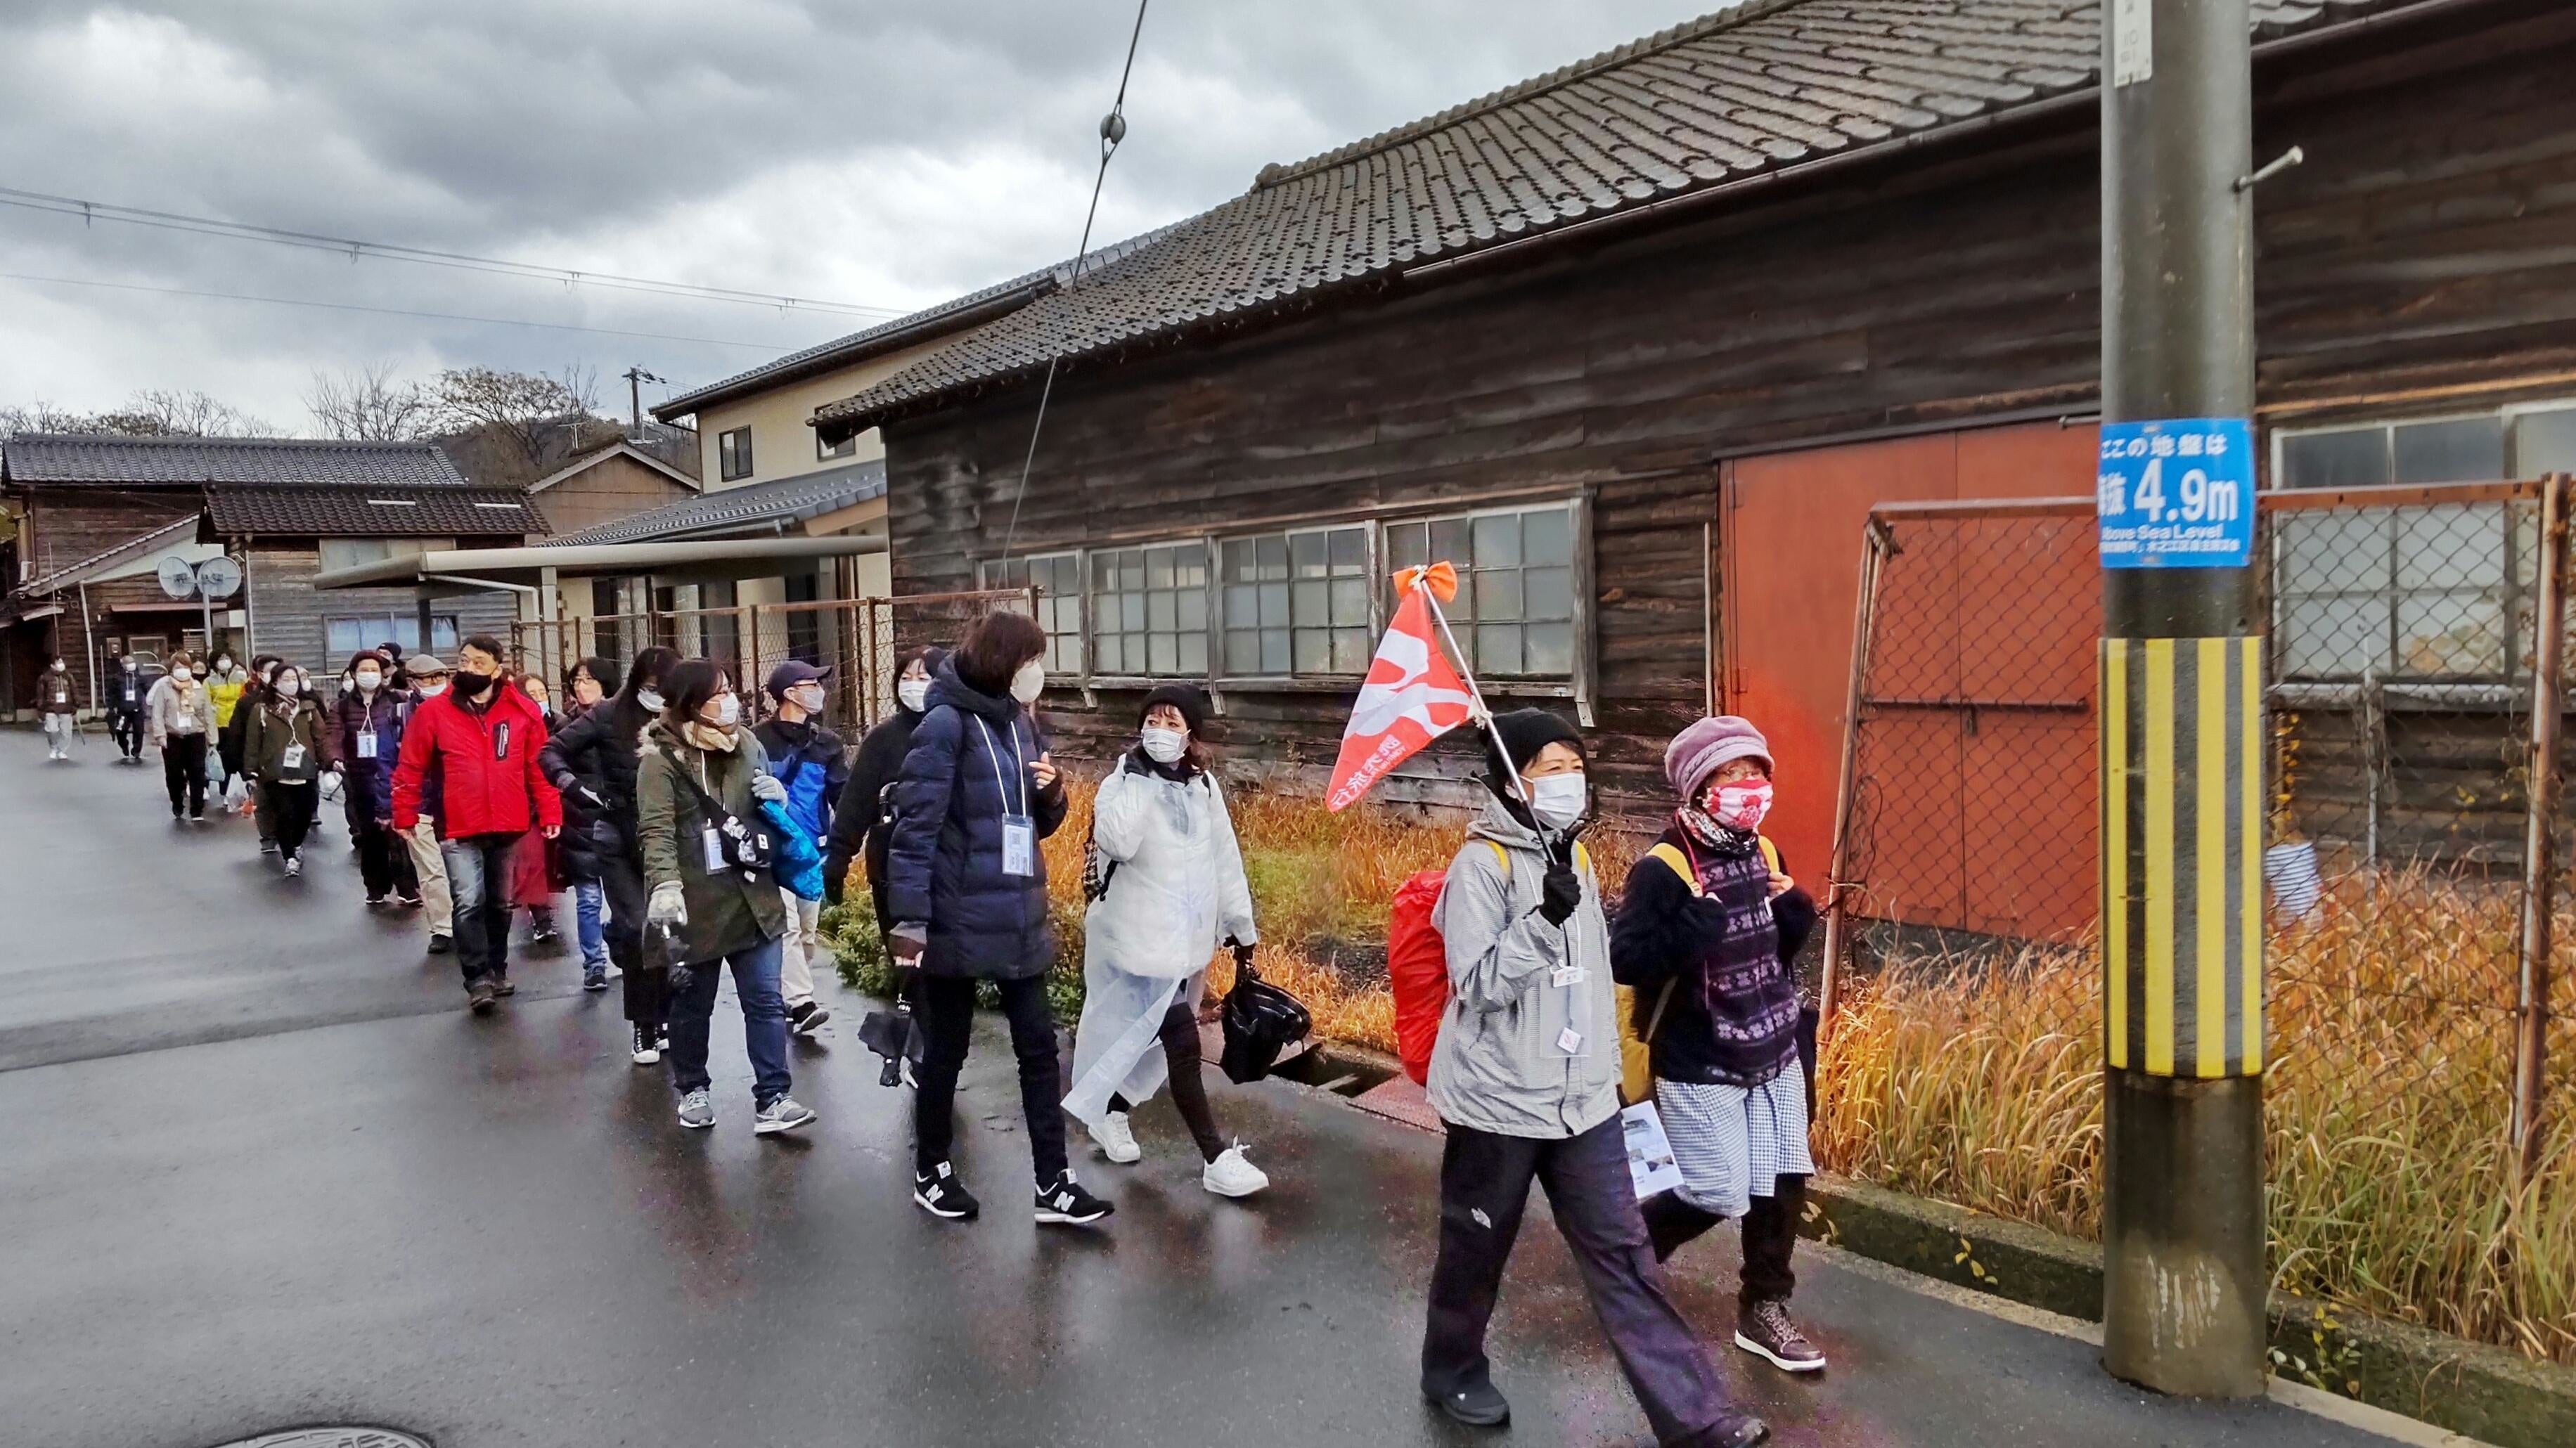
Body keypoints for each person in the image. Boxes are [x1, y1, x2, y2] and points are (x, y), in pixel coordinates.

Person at [1419, 707, 1767, 1448]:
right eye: (1550, 767)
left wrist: (1612, 1078)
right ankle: (1451, 1366)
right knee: (1476, 1247)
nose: (1569, 779)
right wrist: (1542, 919)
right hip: (1499, 1101)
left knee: (1624, 1257)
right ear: (1511, 781)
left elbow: (1591, 981)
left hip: (1584, 1105)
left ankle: (1697, 1417)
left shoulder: (1572, 859)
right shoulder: (1481, 866)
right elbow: (1478, 984)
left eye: (1575, 765)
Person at [886, 611, 1111, 1227]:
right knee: (947, 1053)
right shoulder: (944, 726)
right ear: (1001, 661)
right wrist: (909, 923)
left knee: (1039, 1050)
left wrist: (1051, 795)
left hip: (1017, 913)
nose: (1038, 672)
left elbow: (1038, 825)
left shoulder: (1020, 724)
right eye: (1030, 659)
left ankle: (1054, 1184)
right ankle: (932, 1170)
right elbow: (915, 832)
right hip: (957, 916)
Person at [1614, 717, 1824, 1376]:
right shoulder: (1665, 867)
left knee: (1782, 1181)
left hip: (1776, 1047)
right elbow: (1628, 958)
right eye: (1733, 774)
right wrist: (1692, 930)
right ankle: (1626, 1261)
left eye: (1757, 771)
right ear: (1701, 787)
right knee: (1714, 1190)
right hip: (1702, 1057)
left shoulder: (1765, 853)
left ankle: (1764, 1308)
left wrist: (1795, 912)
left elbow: (1777, 952)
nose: (1750, 786)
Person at [1064, 685, 1268, 1197]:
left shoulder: (1203, 789)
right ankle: (1216, 1158)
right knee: (1182, 1042)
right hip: (1134, 942)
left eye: (1172, 723)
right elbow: (1118, 842)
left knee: (1146, 1044)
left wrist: (1242, 933)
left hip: (1185, 944)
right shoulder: (1121, 783)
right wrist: (1138, 778)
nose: (1160, 731)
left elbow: (1225, 860)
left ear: (1191, 736)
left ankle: (1110, 1111)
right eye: (1152, 721)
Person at [636, 659, 815, 1135]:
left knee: (765, 1001)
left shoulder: (748, 744)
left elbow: (766, 815)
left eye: (731, 689)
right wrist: (666, 886)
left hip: (754, 897)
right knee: (694, 1005)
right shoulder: (660, 761)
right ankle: (693, 1088)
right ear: (692, 704)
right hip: (696, 901)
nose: (731, 700)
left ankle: (773, 1098)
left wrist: (778, 797)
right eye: (719, 693)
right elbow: (656, 832)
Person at [392, 635, 560, 1013]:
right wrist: (404, 811)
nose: (468, 668)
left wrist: (550, 811)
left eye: (478, 663)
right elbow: (411, 764)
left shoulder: (522, 711)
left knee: (501, 903)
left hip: (509, 820)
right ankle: (477, 978)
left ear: (497, 669)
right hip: (457, 823)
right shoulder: (434, 713)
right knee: (468, 900)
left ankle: (498, 968)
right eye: (464, 661)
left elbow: (538, 766)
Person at [545, 647, 678, 1061]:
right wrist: (574, 788)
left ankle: (668, 1014)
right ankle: (644, 1025)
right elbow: (550, 751)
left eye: (666, 689)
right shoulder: (607, 714)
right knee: (640, 928)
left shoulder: (682, 713)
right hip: (618, 835)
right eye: (652, 688)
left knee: (670, 929)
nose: (659, 696)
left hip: (671, 837)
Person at [753, 659, 847, 1037]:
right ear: (789, 694)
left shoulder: (828, 743)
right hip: (773, 850)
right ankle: (802, 1001)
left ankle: (786, 991)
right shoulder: (756, 741)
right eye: (811, 684)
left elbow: (843, 794)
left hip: (813, 850)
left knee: (807, 932)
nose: (819, 691)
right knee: (788, 927)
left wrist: (851, 838)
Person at [332, 650, 422, 908]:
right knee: (371, 834)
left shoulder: (398, 700)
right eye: (364, 670)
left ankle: (407, 886)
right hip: (360, 775)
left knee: (399, 830)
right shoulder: (342, 706)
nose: (369, 675)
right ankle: (376, 886)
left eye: (374, 670)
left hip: (395, 771)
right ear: (353, 674)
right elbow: (333, 734)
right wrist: (334, 758)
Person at [553, 657, 619, 990]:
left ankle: (620, 943)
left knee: (625, 901)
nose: (581, 687)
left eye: (589, 680)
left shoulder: (624, 721)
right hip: (580, 823)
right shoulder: (566, 727)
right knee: (589, 899)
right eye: (576, 681)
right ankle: (594, 964)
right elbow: (551, 765)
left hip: (620, 822)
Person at [242, 661, 340, 877]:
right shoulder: (262, 709)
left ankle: (296, 843)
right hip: (275, 772)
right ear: (275, 683)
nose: (291, 684)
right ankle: (290, 857)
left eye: (294, 679)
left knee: (305, 812)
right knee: (284, 813)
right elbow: (253, 741)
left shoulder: (308, 708)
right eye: (286, 680)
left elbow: (320, 738)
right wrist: (250, 770)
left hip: (306, 770)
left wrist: (327, 763)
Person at [143, 650, 215, 821]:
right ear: (172, 669)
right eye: (178, 667)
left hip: (196, 734)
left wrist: (212, 738)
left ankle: (197, 809)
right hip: (173, 736)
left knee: (197, 772)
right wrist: (160, 735)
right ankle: (177, 802)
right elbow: (158, 713)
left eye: (185, 667)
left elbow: (207, 714)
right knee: (174, 773)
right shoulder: (164, 688)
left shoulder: (198, 687)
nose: (182, 670)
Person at [208, 659, 248, 799]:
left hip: (239, 723)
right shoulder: (211, 681)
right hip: (219, 723)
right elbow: (206, 701)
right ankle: (224, 789)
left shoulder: (243, 682)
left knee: (239, 757)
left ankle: (244, 790)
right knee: (223, 757)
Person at [108, 654, 148, 763]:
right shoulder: (117, 678)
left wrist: (150, 701)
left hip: (137, 709)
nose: (131, 665)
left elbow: (147, 690)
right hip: (123, 710)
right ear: (123, 665)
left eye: (132, 663)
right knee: (121, 730)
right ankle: (123, 745)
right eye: (128, 663)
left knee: (139, 731)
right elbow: (112, 694)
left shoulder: (139, 677)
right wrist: (111, 707)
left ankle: (136, 750)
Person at [38, 657, 77, 761]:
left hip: (66, 708)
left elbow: (74, 691)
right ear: (52, 665)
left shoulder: (68, 677)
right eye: (58, 663)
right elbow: (41, 694)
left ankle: (62, 750)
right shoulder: (45, 678)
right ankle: (54, 748)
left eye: (61, 662)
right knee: (52, 730)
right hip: (50, 708)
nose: (61, 664)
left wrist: (76, 704)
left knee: (66, 732)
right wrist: (41, 709)